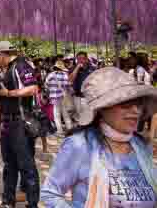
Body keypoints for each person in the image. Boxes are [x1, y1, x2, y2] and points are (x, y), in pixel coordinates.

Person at [41, 67, 157, 207]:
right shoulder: (79, 145)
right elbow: (50, 193)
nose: (135, 111)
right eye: (126, 104)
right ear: (101, 109)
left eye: (138, 103)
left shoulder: (141, 145)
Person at [0, 41, 40, 208]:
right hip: (7, 123)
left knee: (27, 165)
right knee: (9, 164)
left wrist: (8, 92)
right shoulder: (7, 70)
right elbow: (7, 99)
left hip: (20, 123)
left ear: (2, 54)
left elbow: (33, 88)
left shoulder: (21, 65)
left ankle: (32, 203)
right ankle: (8, 201)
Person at [45, 60, 73, 135]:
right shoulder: (65, 75)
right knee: (65, 113)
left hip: (54, 97)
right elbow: (68, 85)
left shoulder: (50, 75)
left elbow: (46, 85)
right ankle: (69, 127)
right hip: (63, 96)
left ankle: (60, 130)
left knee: (56, 114)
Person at [69, 51, 95, 122]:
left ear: (86, 59)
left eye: (83, 58)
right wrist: (77, 68)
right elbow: (70, 80)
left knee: (90, 115)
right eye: (79, 59)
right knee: (80, 116)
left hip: (89, 96)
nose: (81, 61)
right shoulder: (73, 68)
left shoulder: (92, 68)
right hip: (77, 97)